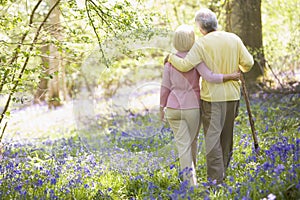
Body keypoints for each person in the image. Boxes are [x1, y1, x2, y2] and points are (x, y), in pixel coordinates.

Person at [166, 9, 254, 184]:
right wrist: (237, 70)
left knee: (213, 140)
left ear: (200, 28)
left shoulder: (201, 44)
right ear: (216, 24)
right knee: (227, 137)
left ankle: (215, 181)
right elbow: (249, 64)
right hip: (232, 96)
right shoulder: (234, 39)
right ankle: (223, 174)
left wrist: (170, 57)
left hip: (212, 99)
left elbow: (184, 66)